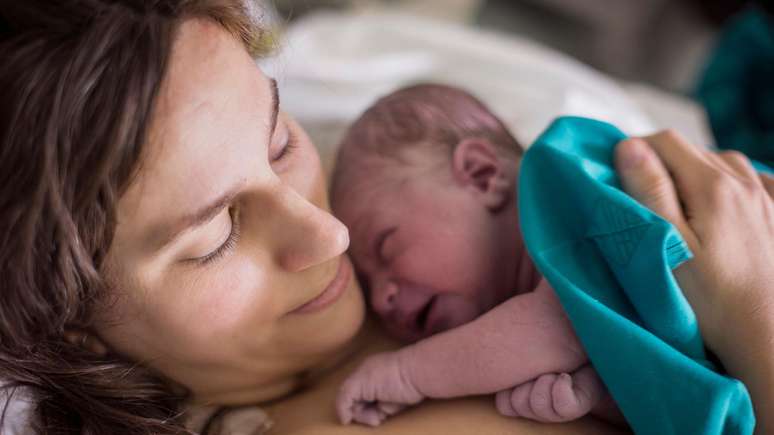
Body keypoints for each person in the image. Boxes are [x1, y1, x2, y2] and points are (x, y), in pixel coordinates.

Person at [0, 1, 771, 434]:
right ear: (65, 319)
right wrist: (760, 321)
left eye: (280, 142)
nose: (328, 232)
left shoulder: (385, 159)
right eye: (215, 236)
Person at [330, 84, 619, 426]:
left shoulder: (569, 203)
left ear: (481, 176)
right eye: (366, 284)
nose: (380, 300)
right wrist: (600, 394)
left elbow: (559, 328)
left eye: (386, 247)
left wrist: (406, 373)